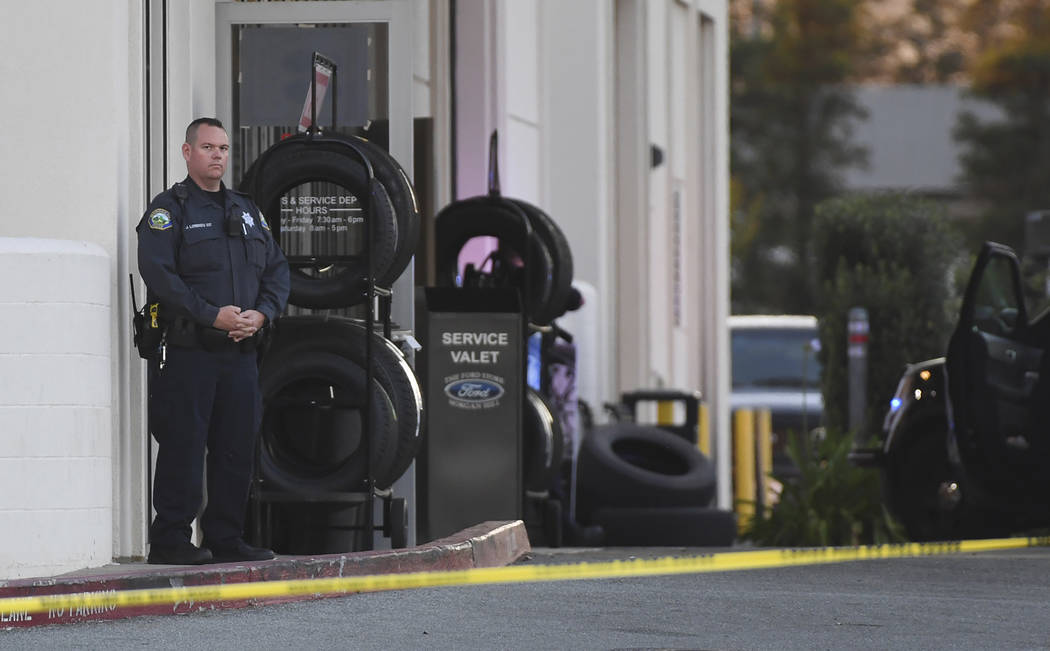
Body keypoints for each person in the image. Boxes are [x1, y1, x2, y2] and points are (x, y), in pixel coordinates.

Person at [137, 117, 289, 565]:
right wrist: (212, 316)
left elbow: (277, 271)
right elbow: (160, 276)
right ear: (188, 153)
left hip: (240, 352)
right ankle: (169, 540)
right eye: (207, 147)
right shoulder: (170, 210)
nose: (218, 155)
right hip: (189, 352)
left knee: (235, 447)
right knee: (184, 444)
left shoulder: (246, 210)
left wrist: (261, 314)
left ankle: (224, 537)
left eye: (223, 147)